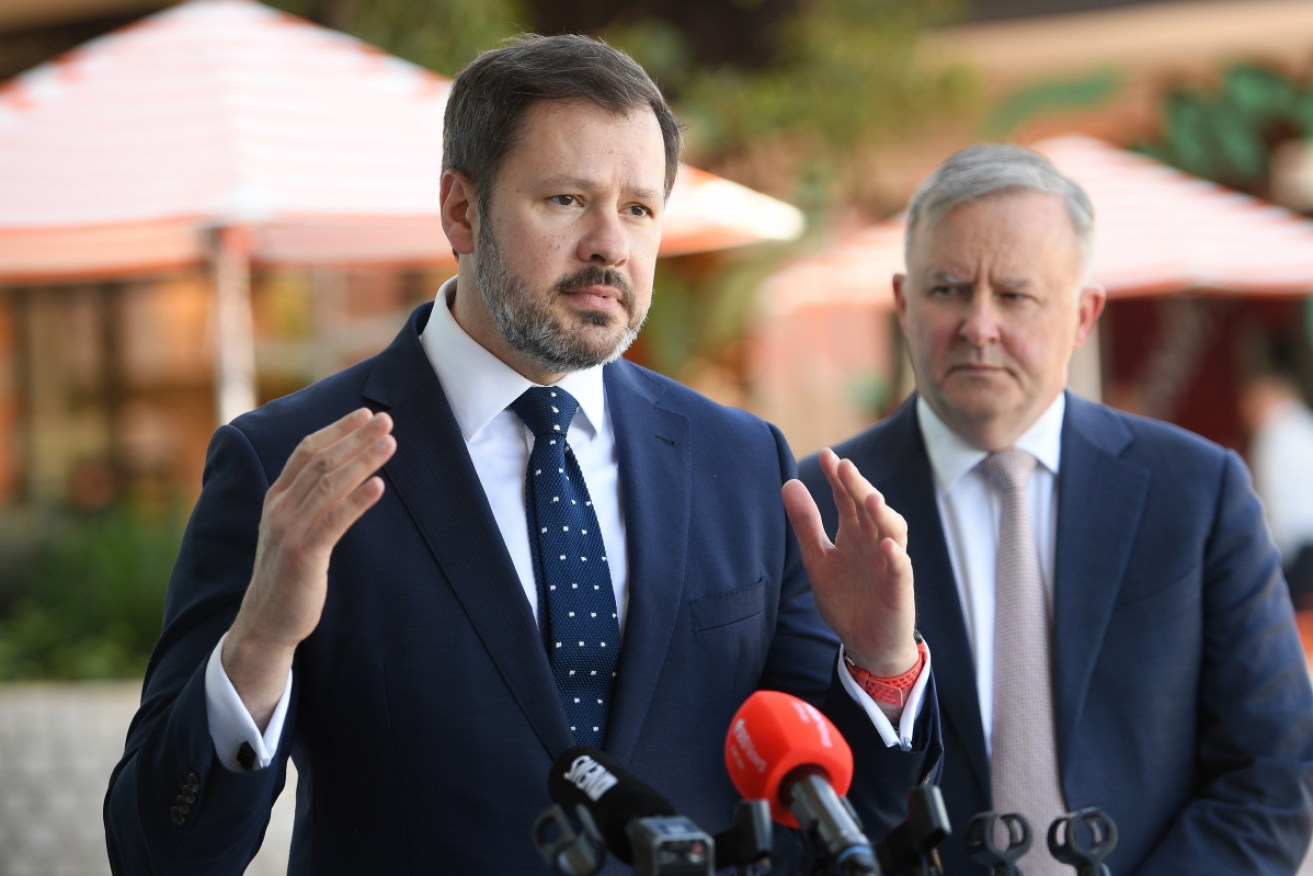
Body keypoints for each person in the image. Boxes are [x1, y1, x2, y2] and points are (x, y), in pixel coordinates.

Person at [103, 34, 939, 875]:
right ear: (461, 212)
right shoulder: (286, 461)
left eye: (639, 209)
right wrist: (258, 645)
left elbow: (842, 813)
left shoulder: (740, 460)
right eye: (568, 200)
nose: (610, 244)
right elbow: (160, 852)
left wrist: (880, 665)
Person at [800, 143, 1313, 875]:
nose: (979, 325)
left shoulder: (1195, 493)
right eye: (947, 289)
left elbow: (1270, 771)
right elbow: (795, 790)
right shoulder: (818, 512)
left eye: (1014, 295)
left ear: (1082, 315)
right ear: (904, 302)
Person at [1239, 357, 1313, 606]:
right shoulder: (1304, 424)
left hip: (1299, 553)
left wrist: (1266, 560)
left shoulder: (1272, 432)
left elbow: (1273, 503)